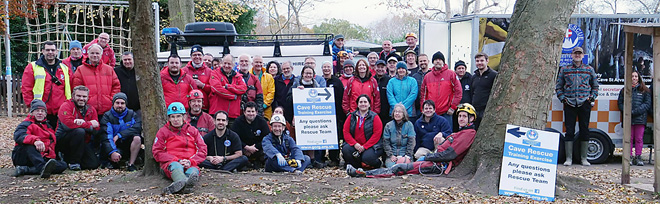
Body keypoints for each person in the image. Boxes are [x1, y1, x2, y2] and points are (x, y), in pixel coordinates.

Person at [347, 103, 477, 178]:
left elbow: (450, 154)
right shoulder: (462, 132)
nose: (461, 119)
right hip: (434, 159)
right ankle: (364, 172)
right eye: (460, 116)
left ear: (471, 119)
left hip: (436, 164)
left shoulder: (468, 133)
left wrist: (429, 157)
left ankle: (364, 174)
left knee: (399, 168)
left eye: (464, 116)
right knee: (397, 167)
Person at [556, 47, 599, 166]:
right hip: (569, 103)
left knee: (584, 129)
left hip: (584, 103)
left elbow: (595, 86)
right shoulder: (565, 69)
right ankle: (569, 158)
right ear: (572, 55)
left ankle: (584, 158)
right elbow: (558, 86)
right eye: (575, 53)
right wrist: (562, 98)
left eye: (579, 53)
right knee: (569, 130)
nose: (577, 55)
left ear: (583, 55)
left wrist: (591, 98)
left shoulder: (589, 69)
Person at [153, 102, 207, 194]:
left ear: (184, 117)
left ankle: (182, 186)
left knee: (193, 171)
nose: (175, 120)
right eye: (172, 117)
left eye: (178, 116)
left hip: (190, 163)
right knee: (176, 166)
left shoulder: (193, 131)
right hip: (171, 164)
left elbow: (203, 150)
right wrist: (176, 160)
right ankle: (183, 182)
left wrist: (190, 161)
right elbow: (157, 152)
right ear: (169, 118)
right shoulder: (163, 132)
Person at [22, 41, 73, 129]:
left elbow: (71, 88)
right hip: (41, 110)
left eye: (53, 50)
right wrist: (32, 106)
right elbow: (26, 89)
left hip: (60, 111)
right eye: (47, 50)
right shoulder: (33, 67)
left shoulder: (65, 68)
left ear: (57, 51)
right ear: (43, 51)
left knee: (60, 137)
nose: (50, 52)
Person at [12, 99, 68, 178]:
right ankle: (42, 167)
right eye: (37, 110)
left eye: (42, 111)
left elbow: (51, 145)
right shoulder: (26, 124)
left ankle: (26, 170)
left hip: (42, 157)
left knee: (63, 165)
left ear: (45, 114)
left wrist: (51, 157)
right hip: (24, 156)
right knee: (29, 144)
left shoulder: (48, 127)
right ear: (32, 112)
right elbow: (19, 136)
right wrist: (35, 140)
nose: (40, 113)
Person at [55, 85, 100, 170]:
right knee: (79, 131)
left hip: (82, 142)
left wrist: (83, 123)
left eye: (84, 96)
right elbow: (68, 126)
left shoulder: (91, 109)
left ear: (88, 98)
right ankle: (73, 162)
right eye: (78, 96)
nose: (81, 98)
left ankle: (68, 159)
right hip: (63, 140)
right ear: (73, 96)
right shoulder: (66, 106)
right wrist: (89, 124)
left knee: (93, 164)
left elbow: (96, 128)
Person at [72, 43, 121, 116]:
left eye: (97, 53)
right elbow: (76, 88)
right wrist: (87, 100)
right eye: (92, 53)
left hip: (107, 110)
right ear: (88, 54)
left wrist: (110, 99)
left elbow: (116, 86)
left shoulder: (109, 69)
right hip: (87, 109)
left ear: (101, 55)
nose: (95, 55)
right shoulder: (80, 70)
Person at [99, 93, 142, 171]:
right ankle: (113, 160)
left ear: (126, 104)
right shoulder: (107, 116)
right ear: (113, 104)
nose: (120, 105)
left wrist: (119, 135)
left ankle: (131, 164)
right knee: (107, 146)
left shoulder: (132, 114)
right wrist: (112, 152)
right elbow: (107, 136)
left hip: (127, 142)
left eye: (122, 103)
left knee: (137, 138)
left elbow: (137, 128)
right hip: (114, 144)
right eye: (117, 103)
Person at [420, 51, 462, 129]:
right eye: (436, 60)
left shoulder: (451, 74)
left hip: (446, 112)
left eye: (440, 59)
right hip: (431, 113)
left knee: (446, 136)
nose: (438, 61)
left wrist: (453, 107)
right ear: (433, 62)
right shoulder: (427, 76)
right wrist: (423, 108)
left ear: (443, 61)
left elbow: (458, 92)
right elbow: (423, 94)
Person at [618, 71, 650, 166]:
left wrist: (633, 112)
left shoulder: (645, 91)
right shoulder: (624, 90)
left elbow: (647, 105)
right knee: (629, 138)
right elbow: (620, 103)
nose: (634, 78)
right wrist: (627, 112)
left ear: (639, 78)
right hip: (628, 119)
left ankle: (638, 157)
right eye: (632, 76)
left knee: (639, 139)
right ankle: (629, 157)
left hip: (640, 119)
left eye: (636, 76)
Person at [342, 95, 384, 169]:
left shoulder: (375, 117)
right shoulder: (351, 116)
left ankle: (376, 163)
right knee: (346, 150)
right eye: (360, 102)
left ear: (369, 104)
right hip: (356, 144)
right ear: (357, 104)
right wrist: (355, 144)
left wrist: (365, 146)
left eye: (365, 102)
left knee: (367, 158)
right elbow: (346, 132)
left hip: (371, 146)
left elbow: (377, 134)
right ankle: (357, 165)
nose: (363, 104)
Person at [209, 54, 247, 127]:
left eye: (229, 64)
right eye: (225, 63)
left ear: (233, 65)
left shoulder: (238, 76)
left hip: (233, 114)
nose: (226, 66)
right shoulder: (215, 73)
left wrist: (228, 86)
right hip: (217, 113)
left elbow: (243, 88)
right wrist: (233, 96)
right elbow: (216, 89)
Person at [231, 102, 270, 169]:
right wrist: (246, 147)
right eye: (248, 111)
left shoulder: (262, 122)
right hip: (243, 148)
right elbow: (234, 138)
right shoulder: (237, 122)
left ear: (256, 112)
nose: (251, 114)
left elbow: (266, 138)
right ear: (244, 112)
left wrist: (254, 148)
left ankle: (259, 163)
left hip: (258, 148)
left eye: (253, 111)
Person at [321, 61, 345, 167]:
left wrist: (340, 115)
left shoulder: (337, 81)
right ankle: (321, 157)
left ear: (331, 68)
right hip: (321, 113)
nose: (326, 69)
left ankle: (334, 158)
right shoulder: (319, 80)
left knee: (334, 137)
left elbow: (341, 98)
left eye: (328, 67)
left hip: (334, 113)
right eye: (324, 67)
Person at [470, 53, 498, 129]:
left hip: (486, 110)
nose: (479, 63)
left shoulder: (494, 75)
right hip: (475, 110)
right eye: (477, 61)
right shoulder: (474, 77)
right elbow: (472, 93)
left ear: (487, 61)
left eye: (482, 60)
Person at [182, 45, 213, 110]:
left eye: (199, 55)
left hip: (204, 107)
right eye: (194, 55)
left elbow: (213, 89)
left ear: (202, 56)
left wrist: (202, 85)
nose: (197, 57)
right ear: (191, 57)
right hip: (188, 107)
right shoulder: (183, 71)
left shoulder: (210, 72)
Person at [250, 55, 276, 119]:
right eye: (256, 62)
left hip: (266, 109)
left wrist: (263, 106)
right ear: (252, 63)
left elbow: (271, 93)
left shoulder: (269, 77)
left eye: (260, 62)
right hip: (250, 110)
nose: (258, 64)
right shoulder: (248, 76)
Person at [410, 54, 431, 123]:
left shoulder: (432, 75)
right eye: (420, 61)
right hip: (418, 107)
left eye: (424, 60)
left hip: (430, 107)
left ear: (428, 61)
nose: (422, 62)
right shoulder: (415, 76)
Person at [374, 59, 391, 124]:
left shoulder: (389, 81)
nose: (380, 69)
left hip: (386, 115)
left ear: (386, 68)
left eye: (382, 67)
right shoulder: (372, 80)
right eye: (378, 67)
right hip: (374, 113)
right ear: (375, 67)